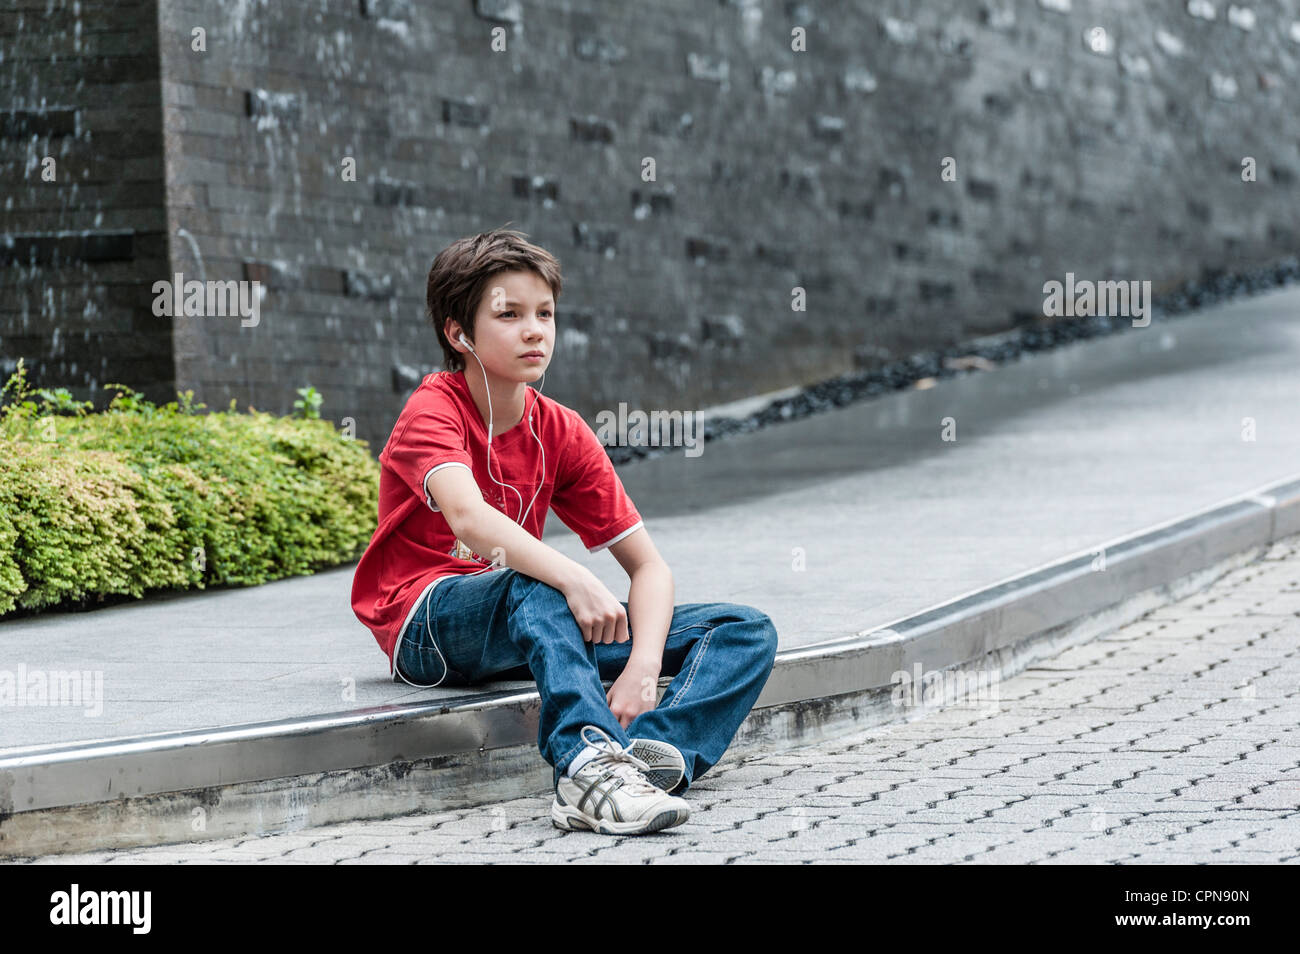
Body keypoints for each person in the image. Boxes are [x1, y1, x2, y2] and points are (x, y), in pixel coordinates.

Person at [350, 225, 779, 836]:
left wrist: (641, 668)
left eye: (545, 313)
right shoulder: (433, 411)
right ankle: (582, 767)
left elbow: (649, 568)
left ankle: (646, 757)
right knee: (538, 582)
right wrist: (575, 577)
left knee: (742, 630)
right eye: (510, 314)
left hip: (524, 612)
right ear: (458, 332)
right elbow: (470, 521)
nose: (535, 330)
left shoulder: (561, 429)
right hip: (427, 623)